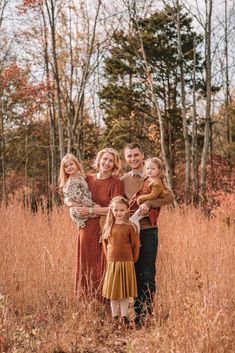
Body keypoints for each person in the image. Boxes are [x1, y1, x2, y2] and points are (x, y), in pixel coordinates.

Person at [121, 143, 174, 328]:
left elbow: (169, 197)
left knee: (148, 273)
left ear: (142, 155)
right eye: (129, 156)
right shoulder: (123, 180)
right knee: (135, 273)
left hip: (149, 231)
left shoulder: (152, 175)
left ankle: (148, 315)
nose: (133, 159)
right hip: (130, 232)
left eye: (136, 155)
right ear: (126, 158)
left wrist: (150, 203)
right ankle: (137, 316)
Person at [72, 148, 124, 297]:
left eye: (111, 161)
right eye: (105, 159)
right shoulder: (87, 179)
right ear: (99, 159)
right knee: (85, 264)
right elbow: (70, 194)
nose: (107, 163)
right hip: (86, 229)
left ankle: (103, 301)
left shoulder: (116, 183)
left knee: (102, 265)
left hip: (104, 228)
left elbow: (116, 209)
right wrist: (69, 202)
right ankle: (85, 301)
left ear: (114, 165)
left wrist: (90, 211)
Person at [102, 196, 140, 325]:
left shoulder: (130, 227)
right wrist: (109, 259)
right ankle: (115, 317)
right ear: (112, 211)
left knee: (124, 293)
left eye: (121, 210)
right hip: (112, 263)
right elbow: (105, 245)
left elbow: (135, 246)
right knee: (114, 293)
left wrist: (132, 260)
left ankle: (124, 317)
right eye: (116, 210)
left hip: (127, 263)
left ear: (127, 210)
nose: (118, 213)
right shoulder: (108, 227)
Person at [129, 157, 172, 233]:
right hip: (142, 204)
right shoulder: (147, 179)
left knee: (133, 220)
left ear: (159, 170)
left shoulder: (156, 183)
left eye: (153, 169)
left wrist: (141, 198)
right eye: (147, 168)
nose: (149, 171)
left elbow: (153, 196)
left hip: (149, 209)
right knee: (132, 219)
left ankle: (136, 236)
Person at [59, 153, 97, 229]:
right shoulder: (72, 182)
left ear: (76, 164)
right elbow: (80, 197)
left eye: (71, 164)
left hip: (84, 206)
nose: (69, 167)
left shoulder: (80, 177)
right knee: (101, 213)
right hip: (79, 209)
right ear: (64, 170)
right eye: (66, 166)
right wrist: (94, 206)